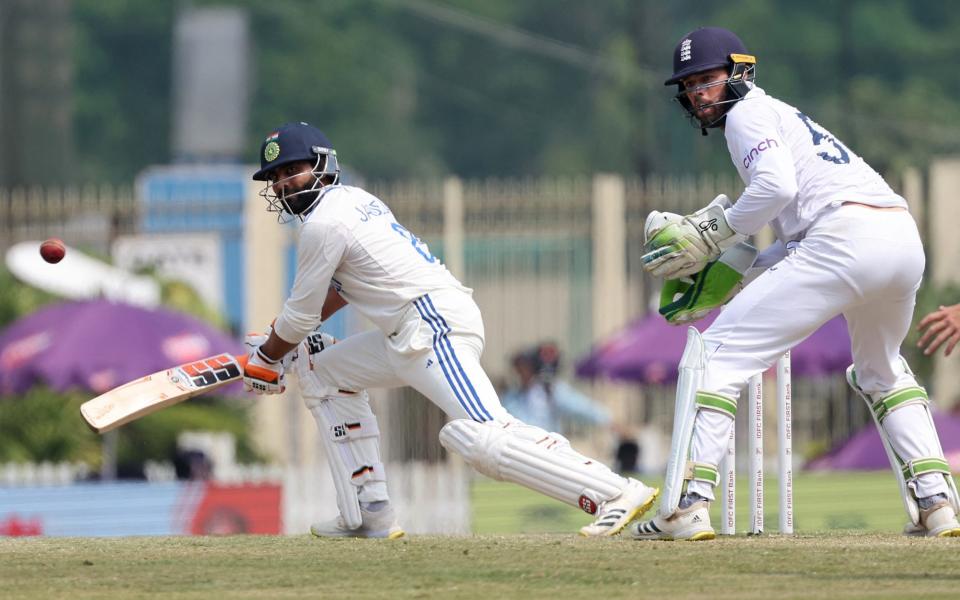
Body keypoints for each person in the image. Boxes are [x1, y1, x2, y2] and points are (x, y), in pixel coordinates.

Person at [241, 122, 657, 539]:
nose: (282, 184)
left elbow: (300, 316)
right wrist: (282, 347)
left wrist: (268, 356)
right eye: (274, 178)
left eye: (291, 170)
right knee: (324, 372)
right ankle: (370, 512)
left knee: (484, 435)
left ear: (322, 164)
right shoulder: (354, 201)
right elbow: (339, 290)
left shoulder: (323, 224)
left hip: (430, 324)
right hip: (407, 331)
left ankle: (615, 491)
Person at [631, 27, 960, 540]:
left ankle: (688, 506)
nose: (699, 93)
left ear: (739, 73)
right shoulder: (783, 117)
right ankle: (937, 504)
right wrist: (745, 267)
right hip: (898, 240)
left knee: (715, 357)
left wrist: (715, 233)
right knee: (881, 370)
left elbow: (775, 187)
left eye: (709, 79)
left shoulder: (746, 115)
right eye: (690, 84)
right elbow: (796, 228)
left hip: (843, 241)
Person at [501, 342, 612, 435]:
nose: (521, 371)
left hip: (546, 452)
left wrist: (609, 421)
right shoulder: (511, 397)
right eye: (518, 367)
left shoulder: (550, 390)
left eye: (524, 366)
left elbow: (584, 408)